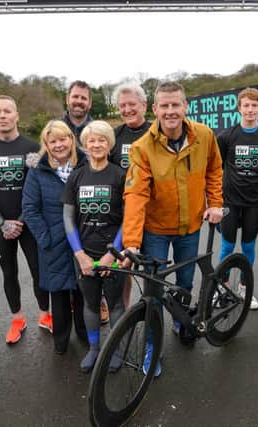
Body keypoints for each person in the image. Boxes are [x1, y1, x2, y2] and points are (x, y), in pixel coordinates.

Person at [122, 81, 224, 376]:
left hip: (190, 226)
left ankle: (181, 320)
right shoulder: (142, 148)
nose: (170, 111)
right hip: (155, 229)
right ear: (154, 110)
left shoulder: (204, 135)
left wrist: (215, 203)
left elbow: (215, 169)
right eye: (164, 106)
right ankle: (152, 346)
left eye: (175, 105)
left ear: (185, 106)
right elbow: (135, 194)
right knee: (153, 292)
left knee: (184, 282)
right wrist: (130, 241)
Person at [0, 95, 46, 345]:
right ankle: (17, 319)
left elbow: (37, 188)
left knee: (38, 271)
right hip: (0, 224)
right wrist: (1, 221)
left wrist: (21, 221)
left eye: (7, 111)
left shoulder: (32, 148)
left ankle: (45, 314)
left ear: (17, 116)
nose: (2, 116)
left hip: (29, 221)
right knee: (9, 273)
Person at [63, 121, 126, 373]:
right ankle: (94, 349)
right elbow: (68, 217)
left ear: (109, 144)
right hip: (85, 254)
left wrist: (114, 253)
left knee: (116, 304)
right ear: (85, 145)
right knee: (90, 304)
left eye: (102, 140)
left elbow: (127, 218)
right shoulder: (77, 175)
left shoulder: (120, 175)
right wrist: (79, 254)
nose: (97, 144)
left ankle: (116, 350)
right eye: (92, 140)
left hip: (112, 252)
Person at [21, 120, 87, 354]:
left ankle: (85, 333)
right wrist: (45, 238)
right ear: (46, 144)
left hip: (83, 241)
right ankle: (61, 340)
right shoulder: (38, 170)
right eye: (53, 141)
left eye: (63, 139)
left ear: (71, 139)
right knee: (58, 295)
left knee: (83, 292)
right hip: (53, 242)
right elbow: (29, 208)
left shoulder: (87, 164)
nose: (59, 145)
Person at [217, 87, 258, 310]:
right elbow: (219, 165)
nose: (250, 109)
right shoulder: (226, 136)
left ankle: (244, 288)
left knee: (249, 247)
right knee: (226, 246)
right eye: (246, 105)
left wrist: (254, 179)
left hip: (254, 200)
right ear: (239, 108)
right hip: (229, 200)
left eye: (255, 105)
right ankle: (221, 288)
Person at [110, 83, 151, 308]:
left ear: (143, 105)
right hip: (124, 215)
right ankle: (125, 310)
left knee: (150, 267)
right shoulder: (114, 136)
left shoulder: (156, 132)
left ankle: (149, 308)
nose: (127, 109)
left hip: (153, 213)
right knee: (124, 265)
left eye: (132, 104)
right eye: (122, 105)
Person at [62, 80, 93, 145]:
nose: (79, 101)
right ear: (67, 99)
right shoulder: (54, 128)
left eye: (83, 98)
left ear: (90, 104)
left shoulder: (98, 130)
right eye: (75, 96)